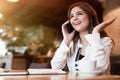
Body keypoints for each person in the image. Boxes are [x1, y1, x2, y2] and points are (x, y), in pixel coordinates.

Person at [51, 2, 116, 74]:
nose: (75, 18)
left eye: (79, 14)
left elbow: (102, 68)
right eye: (71, 16)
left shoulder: (104, 41)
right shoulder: (71, 43)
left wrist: (95, 33)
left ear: (90, 16)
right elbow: (55, 67)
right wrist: (66, 41)